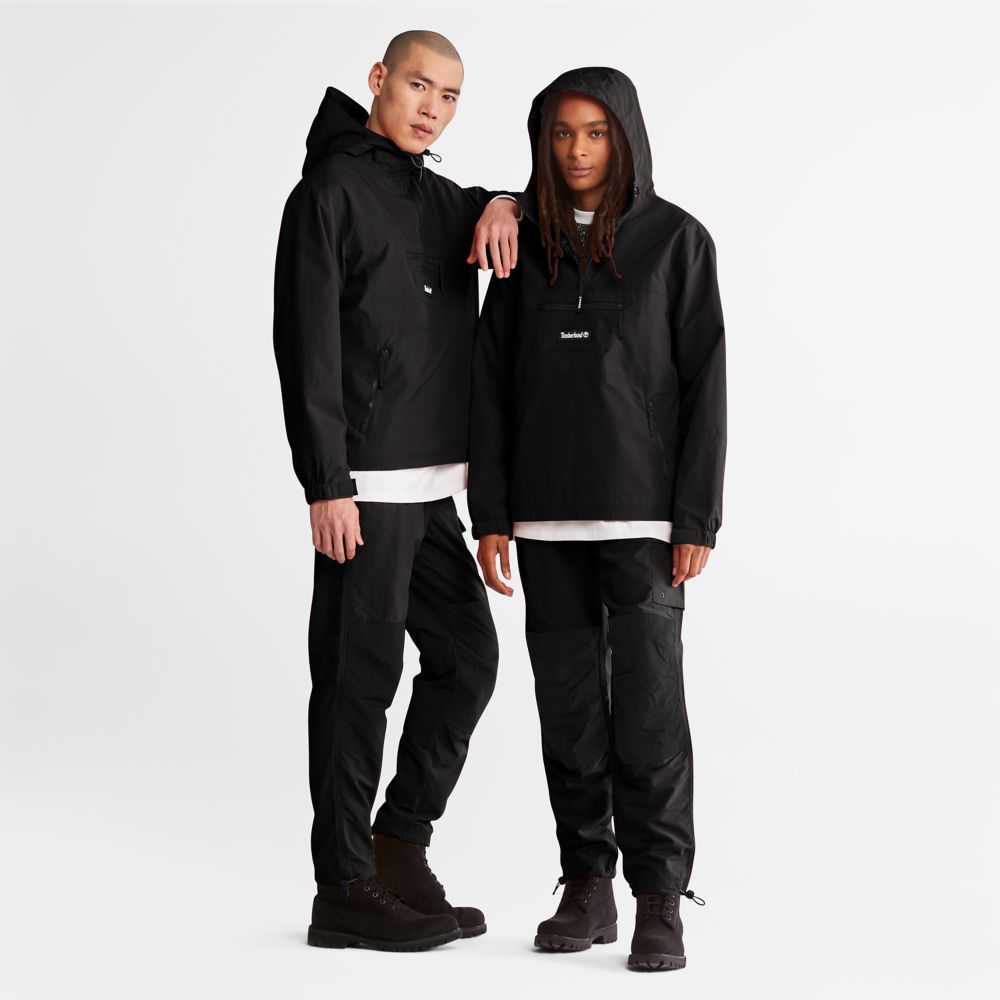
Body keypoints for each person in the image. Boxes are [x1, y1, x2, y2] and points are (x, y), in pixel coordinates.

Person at [469, 65, 726, 971]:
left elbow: (706, 384)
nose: (576, 150)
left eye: (594, 132)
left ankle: (659, 896)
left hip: (645, 519)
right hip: (544, 522)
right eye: (561, 134)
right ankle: (587, 882)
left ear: (625, 137)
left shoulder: (677, 241)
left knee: (650, 713)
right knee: (569, 713)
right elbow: (490, 390)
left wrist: (695, 516)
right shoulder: (523, 248)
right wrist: (491, 515)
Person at [272, 30, 523, 952]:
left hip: (429, 491)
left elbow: (512, 205)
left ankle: (397, 847)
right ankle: (342, 888)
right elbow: (305, 345)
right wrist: (325, 483)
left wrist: (502, 202)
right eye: (419, 86)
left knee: (468, 659)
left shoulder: (440, 199)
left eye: (450, 97)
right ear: (379, 80)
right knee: (356, 683)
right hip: (361, 489)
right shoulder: (328, 193)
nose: (432, 109)